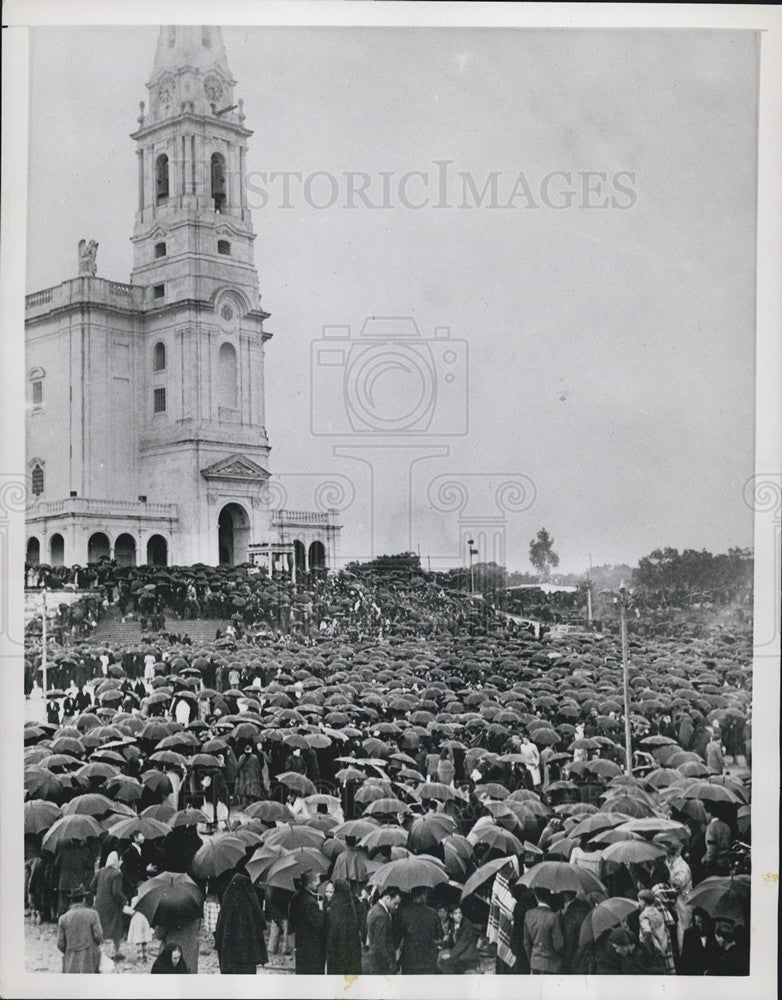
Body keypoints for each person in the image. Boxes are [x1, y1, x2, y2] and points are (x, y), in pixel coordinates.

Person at [214, 867, 268, 974]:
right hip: (247, 959)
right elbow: (260, 924)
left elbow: (220, 928)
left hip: (230, 959)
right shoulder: (250, 905)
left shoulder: (227, 901)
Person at [56, 884, 103, 973]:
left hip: (70, 961)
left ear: (71, 901)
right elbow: (99, 936)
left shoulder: (63, 918)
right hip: (89, 959)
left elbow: (60, 944)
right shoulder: (92, 914)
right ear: (84, 899)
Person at [288, 870, 326, 974]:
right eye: (315, 881)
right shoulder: (310, 902)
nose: (317, 884)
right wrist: (321, 908)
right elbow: (319, 923)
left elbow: (291, 919)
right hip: (312, 944)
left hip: (300, 941)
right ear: (310, 883)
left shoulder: (296, 897)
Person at [90, 850, 126, 960]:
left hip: (99, 904)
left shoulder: (100, 871)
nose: (121, 861)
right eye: (120, 860)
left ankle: (99, 951)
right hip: (112, 905)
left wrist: (99, 895)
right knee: (116, 927)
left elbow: (91, 886)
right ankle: (117, 951)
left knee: (101, 927)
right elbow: (116, 892)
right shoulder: (117, 874)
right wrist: (124, 900)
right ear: (116, 861)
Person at [398, 886, 441, 974]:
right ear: (424, 895)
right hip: (428, 960)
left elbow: (398, 936)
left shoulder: (403, 913)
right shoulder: (433, 913)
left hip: (409, 960)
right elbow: (438, 934)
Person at [522, 887, 565, 974]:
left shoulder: (529, 914)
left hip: (535, 963)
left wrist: (533, 959)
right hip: (551, 965)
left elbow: (527, 943)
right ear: (549, 897)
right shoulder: (553, 916)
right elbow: (559, 946)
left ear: (536, 896)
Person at [325, 878, 363, 975]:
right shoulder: (351, 900)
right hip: (352, 946)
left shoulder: (336, 904)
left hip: (338, 947)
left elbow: (333, 928)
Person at [637, 889, 675, 974]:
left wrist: (647, 947)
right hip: (663, 946)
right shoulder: (659, 913)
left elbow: (647, 931)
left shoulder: (643, 915)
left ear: (643, 902)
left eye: (639, 900)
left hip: (653, 950)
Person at [365, 886, 401, 974]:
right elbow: (380, 944)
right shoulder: (381, 916)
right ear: (388, 898)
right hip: (381, 964)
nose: (396, 907)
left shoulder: (374, 909)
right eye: (395, 903)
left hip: (375, 960)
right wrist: (390, 963)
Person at [437, 906, 480, 973]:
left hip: (468, 956)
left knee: (448, 962)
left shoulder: (467, 925)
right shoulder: (452, 925)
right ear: (451, 915)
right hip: (459, 953)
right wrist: (440, 944)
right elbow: (450, 943)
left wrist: (451, 954)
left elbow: (463, 944)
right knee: (440, 956)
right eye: (455, 913)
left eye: (460, 913)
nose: (458, 915)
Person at [679, 907, 713, 975]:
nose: (701, 925)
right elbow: (685, 957)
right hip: (694, 972)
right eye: (698, 922)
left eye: (703, 922)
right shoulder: (689, 933)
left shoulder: (711, 933)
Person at [702, 803, 731, 877]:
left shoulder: (711, 827)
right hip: (725, 863)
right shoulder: (726, 826)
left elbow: (711, 847)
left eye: (705, 813)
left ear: (709, 813)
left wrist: (706, 860)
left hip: (715, 865)